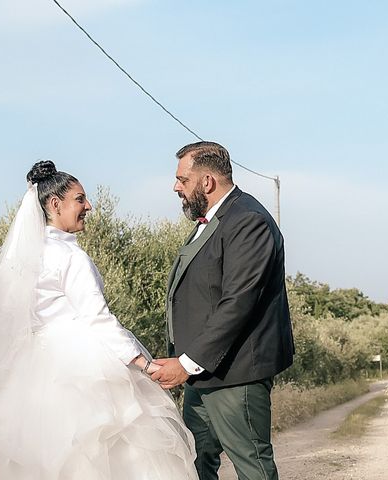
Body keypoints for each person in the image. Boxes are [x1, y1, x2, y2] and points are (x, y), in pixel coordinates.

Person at [0, 161, 197, 479]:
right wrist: (146, 365)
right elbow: (99, 320)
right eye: (80, 199)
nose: (88, 205)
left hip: (28, 372)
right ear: (55, 204)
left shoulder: (21, 259)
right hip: (80, 368)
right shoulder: (70, 256)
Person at [151, 142, 295, 480]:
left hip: (237, 374)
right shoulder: (213, 221)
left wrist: (185, 364)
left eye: (182, 180)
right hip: (203, 374)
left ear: (207, 182)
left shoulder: (248, 221)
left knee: (252, 467)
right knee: (194, 461)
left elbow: (239, 301)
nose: (176, 187)